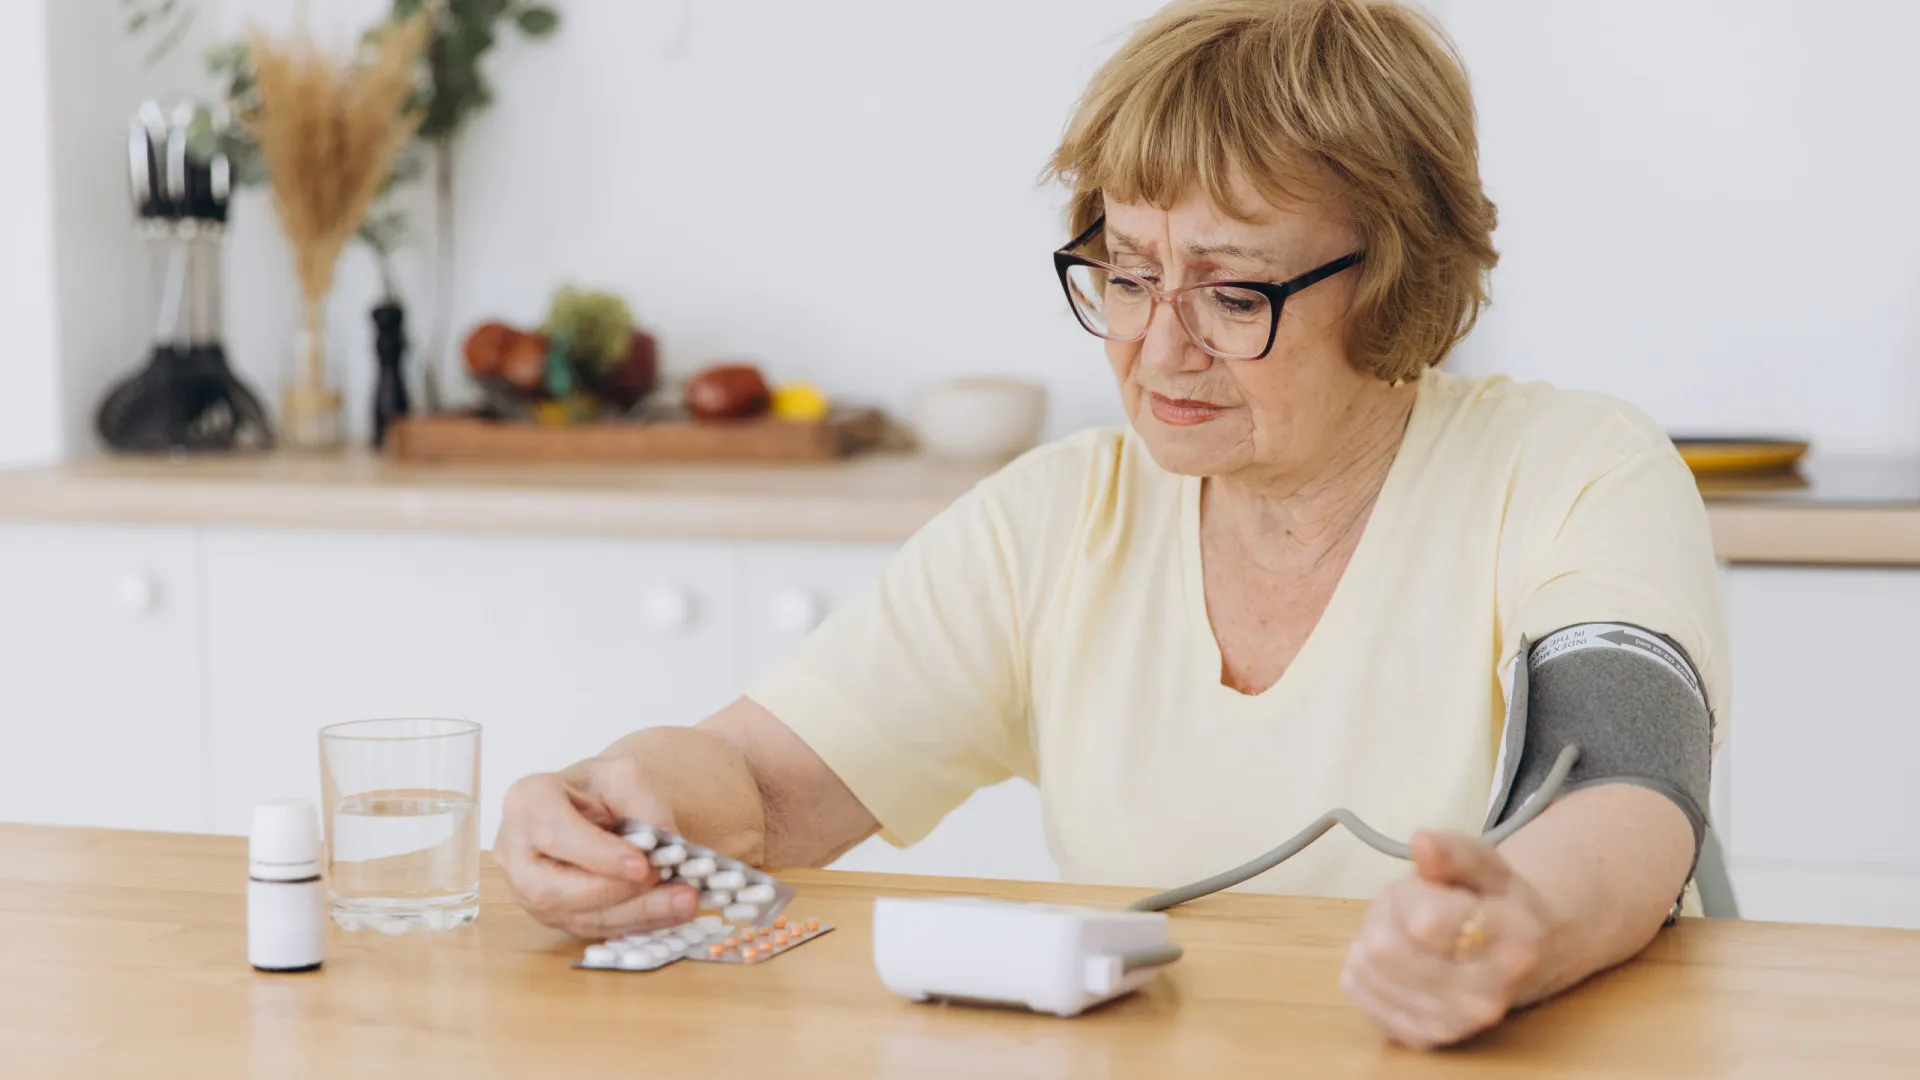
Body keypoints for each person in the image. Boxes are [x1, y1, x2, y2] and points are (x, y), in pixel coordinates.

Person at [495, 0, 1726, 1049]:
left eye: (1235, 290)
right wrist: (617, 801)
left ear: (1400, 276)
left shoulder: (1573, 469)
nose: (1158, 345)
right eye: (1128, 272)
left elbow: (1626, 796)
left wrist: (1522, 925)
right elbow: (765, 786)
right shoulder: (1057, 519)